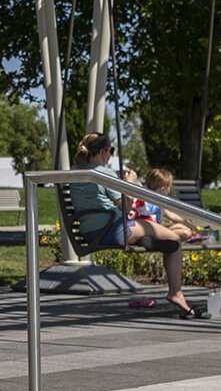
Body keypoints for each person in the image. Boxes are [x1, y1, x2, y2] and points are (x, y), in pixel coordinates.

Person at [68, 133, 205, 319]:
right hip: (114, 229)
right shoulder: (104, 173)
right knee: (175, 239)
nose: (111, 155)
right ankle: (176, 293)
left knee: (163, 236)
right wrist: (129, 182)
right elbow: (126, 207)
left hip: (89, 231)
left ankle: (146, 238)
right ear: (103, 151)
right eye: (111, 151)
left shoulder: (75, 172)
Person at [132, 168, 201, 242]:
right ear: (162, 187)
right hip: (148, 232)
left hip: (152, 229)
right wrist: (189, 226)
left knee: (184, 228)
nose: (169, 189)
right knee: (185, 232)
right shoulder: (149, 199)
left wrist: (188, 225)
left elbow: (170, 215)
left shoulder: (149, 196)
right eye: (168, 186)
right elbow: (170, 215)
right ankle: (153, 240)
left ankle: (153, 239)